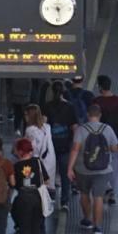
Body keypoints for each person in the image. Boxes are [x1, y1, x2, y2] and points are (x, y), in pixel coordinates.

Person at [67, 105, 118, 234]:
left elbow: (75, 149)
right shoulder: (108, 129)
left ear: (88, 115)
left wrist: (69, 168)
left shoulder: (81, 130)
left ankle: (87, 220)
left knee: (84, 194)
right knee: (99, 197)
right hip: (103, 170)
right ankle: (97, 227)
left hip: (82, 169)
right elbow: (114, 148)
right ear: (100, 115)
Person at [12, 137, 51, 234]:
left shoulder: (16, 166)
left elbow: (13, 184)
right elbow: (47, 180)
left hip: (23, 196)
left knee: (24, 220)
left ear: (20, 151)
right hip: (36, 195)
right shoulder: (37, 162)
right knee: (36, 221)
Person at [44, 82, 79, 211]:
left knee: (49, 174)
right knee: (65, 175)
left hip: (50, 147)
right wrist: (75, 146)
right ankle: (64, 202)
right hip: (65, 146)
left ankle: (50, 199)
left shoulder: (47, 107)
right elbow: (75, 128)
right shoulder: (70, 107)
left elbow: (43, 125)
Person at [93, 75, 118, 205]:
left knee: (100, 167)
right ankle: (112, 193)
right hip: (116, 141)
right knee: (114, 167)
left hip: (99, 140)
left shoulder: (96, 101)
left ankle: (105, 189)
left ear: (101, 87)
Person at [22, 104, 56, 200]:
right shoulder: (47, 127)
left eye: (26, 115)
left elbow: (31, 150)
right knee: (47, 188)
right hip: (49, 161)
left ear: (30, 116)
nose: (25, 117)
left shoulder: (30, 131)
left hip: (35, 163)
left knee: (31, 186)